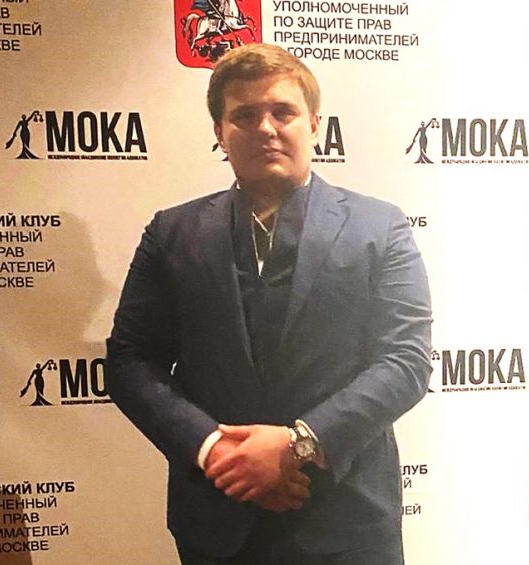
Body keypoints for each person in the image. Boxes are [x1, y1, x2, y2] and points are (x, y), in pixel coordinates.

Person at [106, 43, 432, 564]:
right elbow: (130, 361)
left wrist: (297, 444)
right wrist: (216, 450)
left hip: (348, 523)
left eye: (283, 111)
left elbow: (406, 360)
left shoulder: (380, 227)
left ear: (315, 124)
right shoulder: (171, 232)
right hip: (218, 517)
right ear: (220, 132)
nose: (265, 128)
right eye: (245, 115)